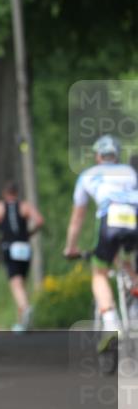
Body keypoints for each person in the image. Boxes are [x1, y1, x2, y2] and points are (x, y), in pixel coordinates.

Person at [63, 135, 138, 354]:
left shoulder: (87, 176)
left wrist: (71, 247)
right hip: (134, 220)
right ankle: (133, 305)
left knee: (99, 272)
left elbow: (77, 220)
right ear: (116, 155)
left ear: (97, 156)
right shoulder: (130, 172)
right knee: (127, 265)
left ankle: (111, 323)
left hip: (110, 219)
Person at [0, 181, 44, 332]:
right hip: (24, 246)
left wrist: (0, 231)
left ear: (4, 193)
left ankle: (25, 308)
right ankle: (22, 323)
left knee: (15, 284)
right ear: (16, 193)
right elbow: (39, 221)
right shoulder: (25, 206)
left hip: (9, 247)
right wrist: (29, 233)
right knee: (22, 283)